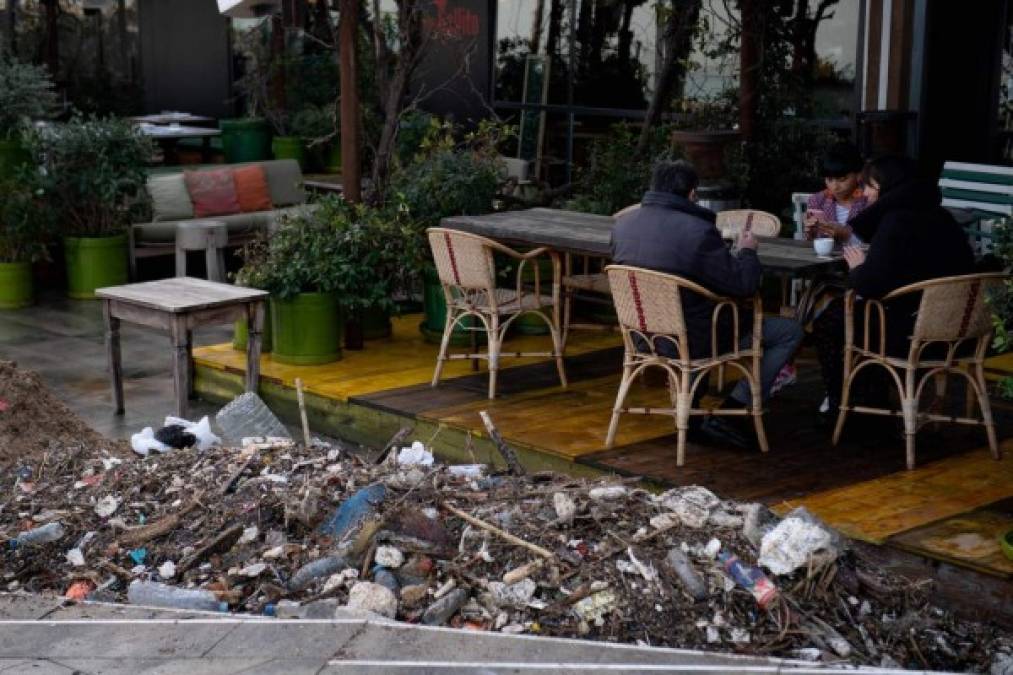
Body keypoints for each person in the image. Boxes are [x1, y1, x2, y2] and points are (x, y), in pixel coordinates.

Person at [610, 160, 803, 448]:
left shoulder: (623, 225)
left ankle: (694, 409)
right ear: (691, 194)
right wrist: (748, 252)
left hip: (641, 336)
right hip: (694, 338)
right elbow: (743, 286)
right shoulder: (697, 231)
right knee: (789, 331)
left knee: (698, 313)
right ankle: (737, 406)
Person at [812, 154, 975, 417]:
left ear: (886, 187)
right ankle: (868, 399)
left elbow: (870, 285)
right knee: (858, 317)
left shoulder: (896, 221)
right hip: (961, 331)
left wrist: (858, 267)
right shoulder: (941, 216)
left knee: (832, 320)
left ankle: (842, 404)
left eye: (868, 186)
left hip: (915, 334)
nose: (863, 194)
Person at [804, 143, 869, 244]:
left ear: (859, 175)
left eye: (842, 179)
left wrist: (846, 235)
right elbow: (812, 243)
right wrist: (810, 233)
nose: (834, 187)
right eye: (829, 179)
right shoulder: (818, 200)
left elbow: (875, 242)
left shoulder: (868, 201)